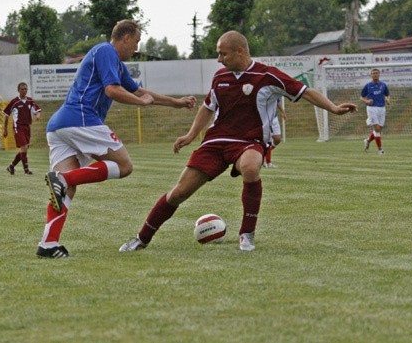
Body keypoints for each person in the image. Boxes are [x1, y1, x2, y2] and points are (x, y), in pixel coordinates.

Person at [118, 30, 357, 253]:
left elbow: (305, 91)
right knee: (179, 193)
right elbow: (207, 107)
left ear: (240, 51)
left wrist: (334, 108)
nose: (219, 59)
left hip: (248, 142)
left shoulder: (267, 75)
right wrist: (191, 135)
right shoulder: (220, 77)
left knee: (251, 168)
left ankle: (247, 234)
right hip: (216, 142)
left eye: (223, 53)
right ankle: (142, 238)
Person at [38, 19, 197, 259]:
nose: (136, 47)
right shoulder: (105, 51)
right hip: (81, 119)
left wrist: (176, 103)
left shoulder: (116, 65)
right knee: (124, 166)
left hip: (59, 127)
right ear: (125, 38)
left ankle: (48, 244)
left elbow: (140, 92)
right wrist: (140, 103)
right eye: (136, 41)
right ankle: (62, 178)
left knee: (66, 191)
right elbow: (112, 90)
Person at [2, 82, 41, 175]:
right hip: (18, 127)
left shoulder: (30, 101)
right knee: (24, 147)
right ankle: (26, 170)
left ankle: (11, 166)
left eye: (25, 89)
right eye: (22, 89)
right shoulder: (14, 102)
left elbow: (36, 111)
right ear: (18, 90)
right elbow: (6, 115)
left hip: (27, 127)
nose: (24, 91)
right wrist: (5, 129)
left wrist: (38, 115)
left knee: (24, 148)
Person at [360, 68, 391, 155]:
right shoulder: (368, 86)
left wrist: (388, 100)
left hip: (382, 108)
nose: (375, 74)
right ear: (371, 75)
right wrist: (366, 101)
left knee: (379, 130)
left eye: (376, 73)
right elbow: (361, 97)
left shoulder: (383, 85)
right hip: (371, 108)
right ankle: (380, 150)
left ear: (379, 74)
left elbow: (387, 94)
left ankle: (368, 140)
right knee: (376, 129)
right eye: (373, 73)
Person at [263, 96, 286, 168]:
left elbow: (277, 101)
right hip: (265, 117)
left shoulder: (274, 89)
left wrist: (283, 111)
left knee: (277, 139)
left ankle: (263, 153)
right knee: (268, 140)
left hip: (274, 118)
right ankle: (268, 162)